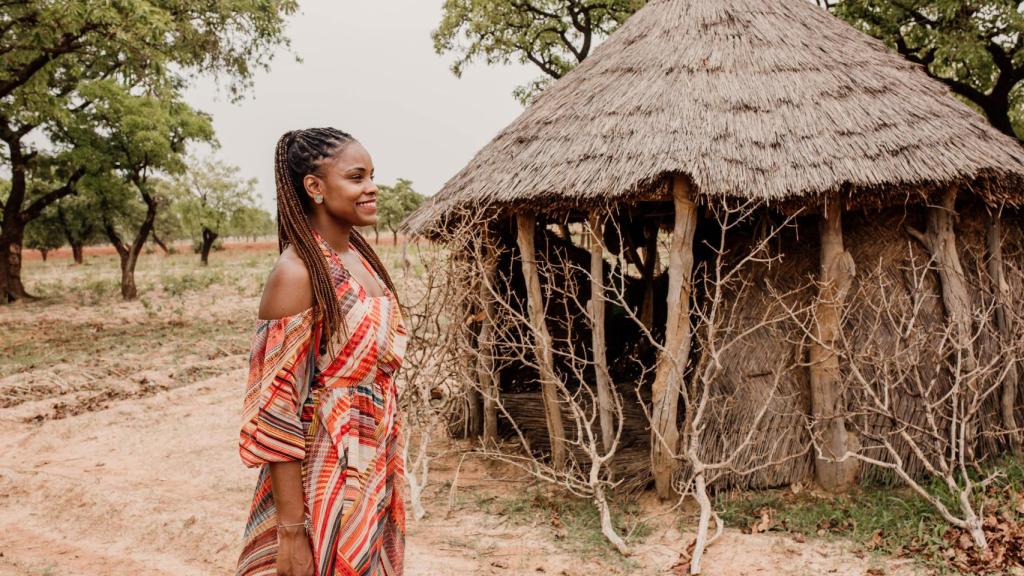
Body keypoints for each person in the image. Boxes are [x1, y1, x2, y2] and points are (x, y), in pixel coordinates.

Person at [236, 128, 408, 576]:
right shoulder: (296, 273)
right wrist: (292, 533)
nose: (372, 187)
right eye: (356, 177)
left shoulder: (360, 260)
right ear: (314, 186)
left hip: (373, 459)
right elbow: (277, 410)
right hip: (326, 472)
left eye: (372, 176)